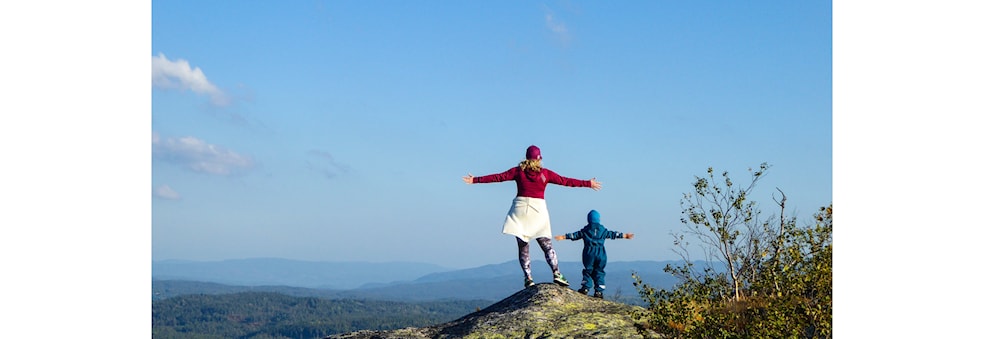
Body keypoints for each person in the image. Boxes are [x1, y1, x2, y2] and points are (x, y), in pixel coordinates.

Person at [463, 145, 602, 288]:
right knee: (547, 245)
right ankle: (557, 273)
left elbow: (499, 177)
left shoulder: (518, 171)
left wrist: (475, 180)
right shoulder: (545, 174)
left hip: (520, 210)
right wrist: (588, 183)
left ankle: (528, 278)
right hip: (538, 211)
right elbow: (565, 181)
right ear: (539, 158)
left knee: (523, 246)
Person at [554, 209, 634, 299]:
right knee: (599, 271)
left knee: (588, 270)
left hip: (589, 252)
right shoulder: (602, 230)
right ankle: (599, 291)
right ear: (598, 219)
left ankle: (585, 288)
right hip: (601, 253)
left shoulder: (586, 230)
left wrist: (563, 237)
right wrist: (625, 236)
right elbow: (613, 234)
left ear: (589, 219)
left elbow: (575, 235)